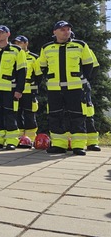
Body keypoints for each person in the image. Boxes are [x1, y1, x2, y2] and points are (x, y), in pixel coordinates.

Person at [36, 21, 94, 155]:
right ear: (54, 32)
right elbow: (43, 67)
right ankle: (58, 145)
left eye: (68, 29)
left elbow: (88, 65)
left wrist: (80, 79)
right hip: (54, 89)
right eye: (62, 29)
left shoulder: (80, 45)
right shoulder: (46, 48)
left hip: (75, 88)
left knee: (77, 116)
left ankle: (78, 145)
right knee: (55, 116)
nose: (66, 31)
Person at [13, 35, 39, 143]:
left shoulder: (34, 57)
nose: (16, 45)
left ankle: (31, 138)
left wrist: (33, 85)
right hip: (15, 90)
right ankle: (19, 138)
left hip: (29, 90)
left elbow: (38, 75)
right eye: (15, 43)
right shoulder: (12, 56)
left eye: (19, 43)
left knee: (29, 114)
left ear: (26, 43)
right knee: (16, 113)